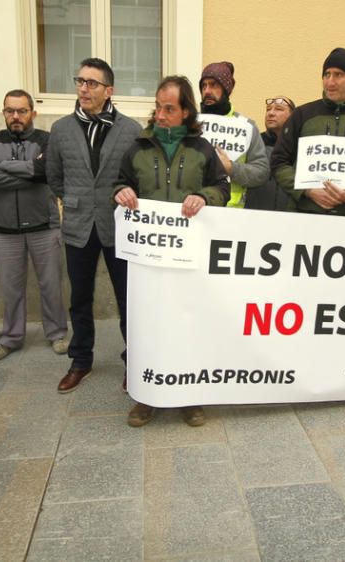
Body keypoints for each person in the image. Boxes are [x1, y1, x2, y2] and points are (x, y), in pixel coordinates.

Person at [113, 76, 229, 428]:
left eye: (169, 109)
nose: (160, 115)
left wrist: (205, 197)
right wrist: (120, 192)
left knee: (188, 325)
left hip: (188, 257)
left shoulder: (202, 149)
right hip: (147, 259)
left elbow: (221, 188)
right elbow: (120, 182)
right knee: (147, 326)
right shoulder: (138, 147)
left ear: (185, 111)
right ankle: (145, 396)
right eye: (158, 107)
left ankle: (190, 397)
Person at [46, 58, 141, 393]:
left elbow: (136, 177)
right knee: (80, 298)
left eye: (92, 83)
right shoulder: (60, 129)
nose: (83, 88)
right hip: (78, 226)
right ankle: (81, 360)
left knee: (129, 299)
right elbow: (54, 177)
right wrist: (73, 200)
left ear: (109, 90)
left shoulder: (131, 130)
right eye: (80, 81)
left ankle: (136, 361)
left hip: (118, 227)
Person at [0, 90, 69, 362]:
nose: (15, 116)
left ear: (32, 113)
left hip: (44, 226)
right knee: (10, 289)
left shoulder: (47, 140)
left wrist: (4, 167)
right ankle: (11, 338)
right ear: (3, 112)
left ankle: (57, 333)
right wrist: (27, 171)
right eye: (9, 111)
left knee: (50, 285)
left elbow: (46, 173)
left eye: (22, 111)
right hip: (5, 231)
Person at [271, 47, 345, 217]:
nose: (330, 82)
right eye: (327, 74)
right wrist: (307, 190)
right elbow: (279, 161)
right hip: (303, 214)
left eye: (338, 75)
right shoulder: (303, 114)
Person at [198, 61, 269, 208]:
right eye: (204, 86)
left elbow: (261, 172)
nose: (207, 91)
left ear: (226, 89)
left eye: (214, 85)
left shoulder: (246, 127)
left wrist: (231, 168)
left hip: (232, 216)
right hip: (193, 209)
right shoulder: (190, 123)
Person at [246, 95, 295, 211]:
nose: (271, 113)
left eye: (278, 109)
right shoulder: (253, 142)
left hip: (291, 220)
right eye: (268, 109)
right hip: (253, 217)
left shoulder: (301, 146)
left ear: (293, 116)